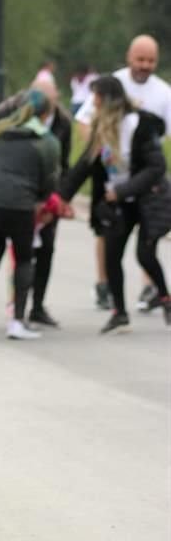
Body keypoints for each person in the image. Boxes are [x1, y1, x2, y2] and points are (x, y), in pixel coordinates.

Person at [62, 75, 171, 333]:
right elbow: (82, 169)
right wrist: (59, 199)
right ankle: (119, 312)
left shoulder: (140, 125)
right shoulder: (101, 131)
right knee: (112, 255)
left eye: (97, 98)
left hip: (148, 199)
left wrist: (122, 190)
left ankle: (165, 298)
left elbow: (157, 167)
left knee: (144, 255)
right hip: (119, 204)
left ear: (109, 100)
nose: (94, 104)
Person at [76, 35, 171, 311]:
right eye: (140, 59)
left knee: (148, 236)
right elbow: (84, 120)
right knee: (108, 234)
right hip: (112, 173)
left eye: (151, 60)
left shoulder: (164, 92)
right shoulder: (113, 84)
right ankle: (104, 284)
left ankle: (149, 287)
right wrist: (98, 150)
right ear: (129, 57)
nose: (145, 65)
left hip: (143, 178)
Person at [0, 89, 60, 340]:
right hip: (18, 203)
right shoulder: (46, 140)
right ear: (46, 113)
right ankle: (17, 322)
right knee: (24, 257)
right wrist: (41, 200)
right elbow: (49, 179)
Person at [27, 78, 72, 327]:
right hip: (24, 195)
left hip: (50, 195)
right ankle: (15, 305)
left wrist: (59, 198)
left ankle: (37, 305)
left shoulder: (63, 122)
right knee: (21, 253)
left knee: (46, 249)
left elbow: (64, 163)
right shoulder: (22, 117)